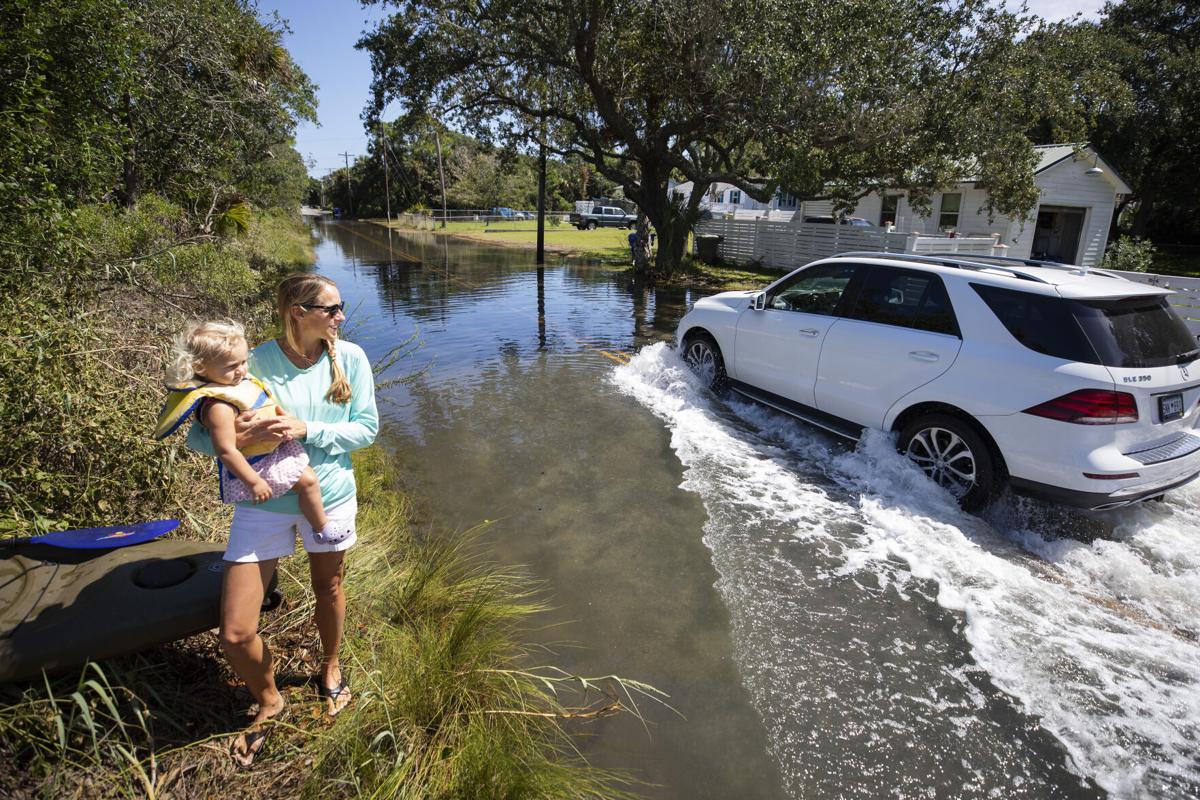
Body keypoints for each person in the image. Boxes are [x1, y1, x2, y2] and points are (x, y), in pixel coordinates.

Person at [186, 274, 378, 768]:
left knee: (328, 588)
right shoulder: (251, 363)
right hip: (262, 504)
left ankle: (330, 669)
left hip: (329, 496)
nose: (341, 317)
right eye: (332, 309)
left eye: (342, 308)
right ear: (298, 310)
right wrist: (242, 432)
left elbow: (367, 429)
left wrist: (305, 427)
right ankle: (271, 700)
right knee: (234, 632)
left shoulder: (351, 358)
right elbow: (198, 440)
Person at [154, 320, 349, 544]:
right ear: (200, 368)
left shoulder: (236, 384)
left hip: (269, 452)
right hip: (256, 463)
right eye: (231, 366)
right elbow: (226, 450)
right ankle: (322, 529)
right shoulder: (218, 406)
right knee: (308, 482)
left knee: (309, 481)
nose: (241, 370)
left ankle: (321, 528)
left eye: (244, 362)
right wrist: (253, 482)